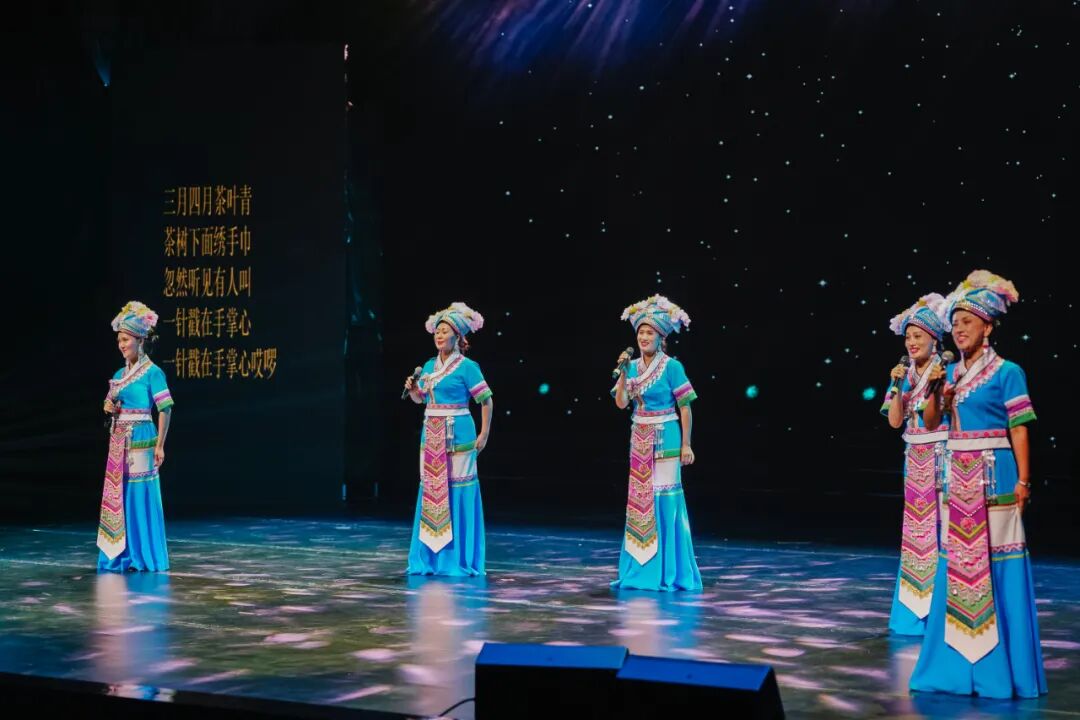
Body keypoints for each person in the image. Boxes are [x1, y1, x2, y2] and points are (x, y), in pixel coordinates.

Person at [910, 270, 1046, 699]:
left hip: (995, 475)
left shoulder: (1008, 372)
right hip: (957, 477)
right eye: (955, 324)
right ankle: (951, 669)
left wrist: (1023, 480)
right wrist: (938, 392)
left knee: (998, 565)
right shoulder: (949, 375)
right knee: (957, 565)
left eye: (967, 322)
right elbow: (930, 422)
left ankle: (1005, 671)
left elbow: (1019, 428)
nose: (959, 330)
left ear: (988, 327)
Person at [611, 295, 702, 592]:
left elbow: (685, 407)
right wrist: (622, 375)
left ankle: (668, 571)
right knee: (641, 502)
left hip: (666, 437)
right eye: (641, 332)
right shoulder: (632, 366)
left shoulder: (672, 366)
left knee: (665, 499)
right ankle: (642, 569)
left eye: (650, 332)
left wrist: (686, 445)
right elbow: (621, 403)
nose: (644, 337)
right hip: (639, 438)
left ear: (661, 337)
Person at [404, 302, 493, 577]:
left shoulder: (467, 367)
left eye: (445, 332)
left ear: (458, 336)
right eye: (437, 332)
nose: (439, 336)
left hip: (458, 435)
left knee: (458, 490)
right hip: (431, 434)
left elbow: (486, 400)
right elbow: (421, 400)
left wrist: (484, 433)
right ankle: (430, 560)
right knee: (432, 490)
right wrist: (414, 390)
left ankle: (457, 559)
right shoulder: (429, 366)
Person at [98, 301, 174, 572]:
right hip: (119, 440)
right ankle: (122, 554)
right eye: (119, 340)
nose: (121, 345)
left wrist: (160, 446)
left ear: (140, 341)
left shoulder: (153, 373)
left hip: (142, 437)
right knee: (119, 496)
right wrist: (109, 407)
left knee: (140, 495)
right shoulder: (119, 374)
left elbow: (165, 408)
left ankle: (143, 555)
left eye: (126, 339)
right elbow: (111, 403)